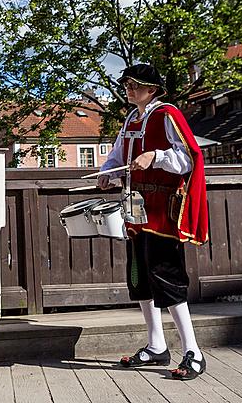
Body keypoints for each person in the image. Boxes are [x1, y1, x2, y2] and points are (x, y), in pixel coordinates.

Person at [98, 63, 209, 380]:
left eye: (135, 84)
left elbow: (188, 157)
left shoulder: (167, 115)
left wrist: (156, 156)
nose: (129, 89)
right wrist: (109, 173)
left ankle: (193, 350)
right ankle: (156, 345)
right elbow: (119, 155)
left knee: (167, 276)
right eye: (127, 84)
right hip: (135, 208)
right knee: (140, 277)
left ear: (153, 89)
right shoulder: (131, 119)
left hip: (162, 210)